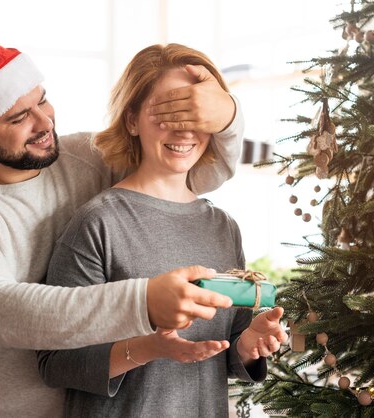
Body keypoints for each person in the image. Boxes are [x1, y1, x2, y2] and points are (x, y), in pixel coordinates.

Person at [0, 37, 245, 417]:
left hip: (90, 404)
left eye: (41, 100)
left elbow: (192, 174)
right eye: (18, 118)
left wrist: (228, 116)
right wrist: (144, 301)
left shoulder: (87, 156)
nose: (43, 122)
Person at [36, 43, 287, 418]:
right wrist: (149, 347)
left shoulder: (223, 228)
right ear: (132, 120)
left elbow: (227, 347)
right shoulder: (98, 223)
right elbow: (54, 363)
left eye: (195, 112)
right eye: (168, 111)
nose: (184, 129)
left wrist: (248, 344)